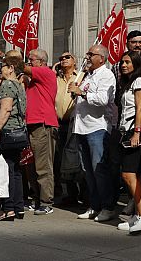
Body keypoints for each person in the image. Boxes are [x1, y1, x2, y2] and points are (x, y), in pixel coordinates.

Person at [69, 44, 116, 222]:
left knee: (99, 169)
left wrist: (81, 92)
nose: (87, 57)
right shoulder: (88, 75)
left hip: (97, 127)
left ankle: (107, 206)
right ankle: (94, 205)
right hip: (81, 127)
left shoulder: (106, 75)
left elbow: (103, 100)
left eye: (91, 54)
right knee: (87, 170)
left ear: (101, 58)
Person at [114, 51, 141, 234]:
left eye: (128, 62)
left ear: (136, 63)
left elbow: (140, 108)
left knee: (129, 175)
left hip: (136, 130)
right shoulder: (127, 82)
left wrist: (137, 132)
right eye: (122, 62)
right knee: (134, 175)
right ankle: (139, 216)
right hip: (126, 130)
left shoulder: (139, 81)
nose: (123, 65)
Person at [0, 57, 29, 221]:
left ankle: (8, 208)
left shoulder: (8, 85)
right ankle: (18, 207)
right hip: (17, 132)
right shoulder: (19, 86)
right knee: (15, 171)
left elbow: (5, 109)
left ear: (11, 68)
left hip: (7, 132)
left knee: (5, 171)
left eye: (2, 66)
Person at [22, 48, 59, 215]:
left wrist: (2, 55)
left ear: (42, 62)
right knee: (30, 165)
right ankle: (36, 198)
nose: (29, 61)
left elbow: (23, 67)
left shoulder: (46, 72)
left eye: (32, 59)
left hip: (43, 124)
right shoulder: (32, 81)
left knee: (43, 165)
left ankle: (46, 201)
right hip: (30, 124)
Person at [54, 51, 81, 204]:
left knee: (76, 159)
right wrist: (53, 69)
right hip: (59, 123)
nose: (63, 60)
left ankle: (84, 194)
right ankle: (71, 194)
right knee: (62, 160)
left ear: (75, 61)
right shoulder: (56, 79)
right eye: (61, 58)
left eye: (67, 57)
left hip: (75, 123)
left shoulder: (81, 76)